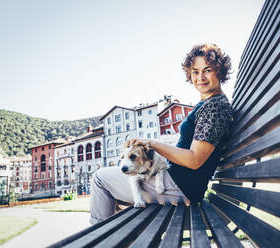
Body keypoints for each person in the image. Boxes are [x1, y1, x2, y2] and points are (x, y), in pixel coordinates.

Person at [90, 43, 233, 224]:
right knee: (120, 188)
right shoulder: (208, 104)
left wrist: (153, 143)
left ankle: (98, 237)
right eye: (195, 72)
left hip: (181, 186)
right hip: (178, 182)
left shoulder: (214, 107)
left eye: (207, 70)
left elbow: (194, 160)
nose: (200, 77)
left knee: (99, 179)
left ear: (219, 71)